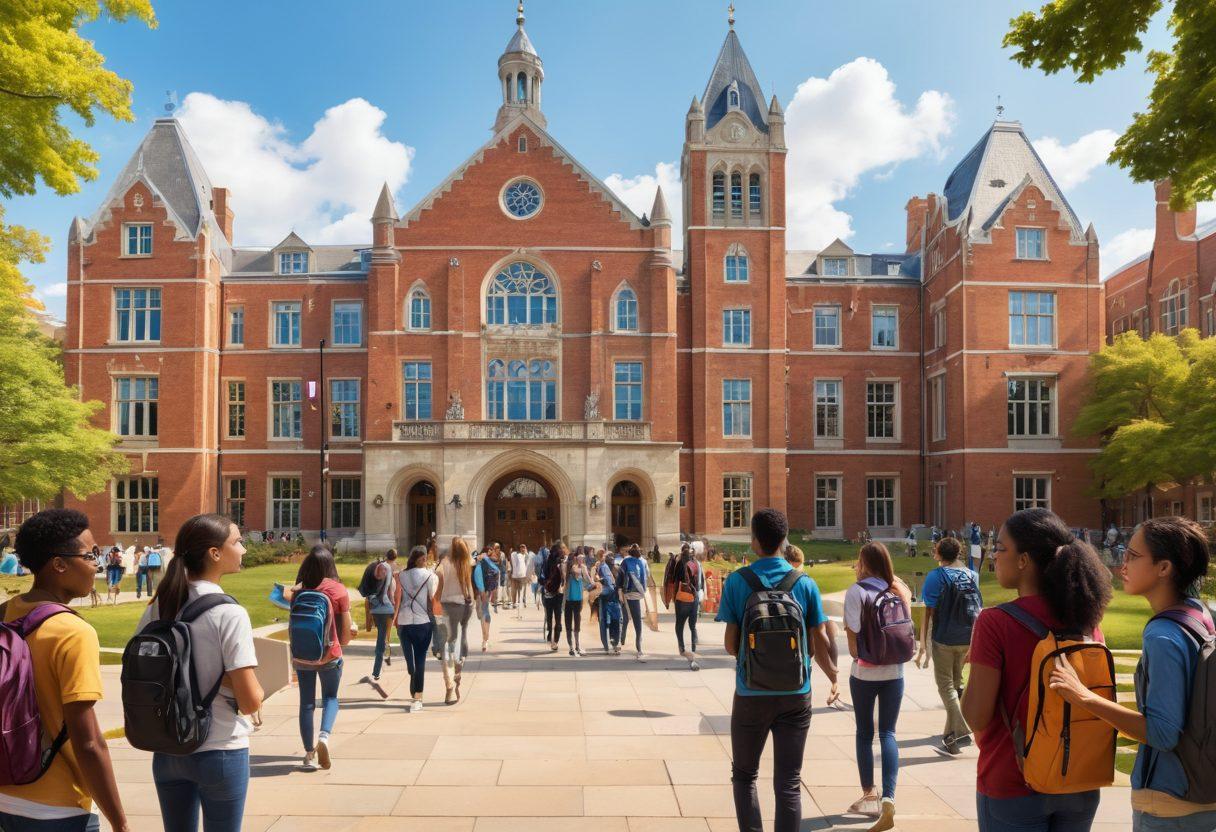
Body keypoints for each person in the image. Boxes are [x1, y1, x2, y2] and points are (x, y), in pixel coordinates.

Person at [1047, 517, 1214, 831]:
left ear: (1164, 568)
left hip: (1170, 805)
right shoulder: (1201, 614)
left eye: (1133, 557)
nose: (1122, 565)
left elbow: (1163, 733)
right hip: (1205, 789)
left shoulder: (1163, 635)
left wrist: (1084, 697)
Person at [961, 508, 1112, 832]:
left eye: (1000, 547)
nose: (993, 555)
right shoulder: (1087, 621)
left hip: (1013, 780)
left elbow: (975, 716)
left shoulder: (995, 622)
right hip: (1078, 776)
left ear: (1023, 560)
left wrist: (970, 674)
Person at [0, 509, 130, 832]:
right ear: (59, 564)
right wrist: (120, 822)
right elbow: (88, 742)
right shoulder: (74, 632)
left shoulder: (4, 613)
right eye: (90, 555)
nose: (96, 564)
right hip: (57, 810)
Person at [138, 514, 263, 832]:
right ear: (214, 553)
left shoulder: (159, 606)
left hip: (168, 748)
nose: (244, 549)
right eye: (237, 542)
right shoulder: (229, 613)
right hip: (219, 746)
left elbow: (143, 670)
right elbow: (250, 702)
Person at [716, 509, 839, 832]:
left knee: (744, 776)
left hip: (750, 692)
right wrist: (833, 676)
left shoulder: (738, 581)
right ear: (784, 541)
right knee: (789, 782)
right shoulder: (805, 583)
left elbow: (730, 644)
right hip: (796, 694)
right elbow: (817, 642)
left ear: (755, 541)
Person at [843, 542, 913, 831]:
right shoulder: (898, 589)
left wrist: (858, 655)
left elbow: (852, 635)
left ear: (864, 562)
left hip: (865, 672)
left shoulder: (857, 591)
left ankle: (869, 794)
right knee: (888, 732)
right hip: (894, 671)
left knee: (864, 733)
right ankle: (890, 798)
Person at [914, 536, 981, 756]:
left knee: (946, 686)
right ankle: (950, 736)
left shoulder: (936, 576)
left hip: (944, 638)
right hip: (967, 638)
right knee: (956, 683)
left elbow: (928, 611)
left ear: (939, 554)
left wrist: (922, 645)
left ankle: (962, 729)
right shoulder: (973, 576)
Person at [288, 546, 353, 772]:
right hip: (329, 653)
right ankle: (324, 737)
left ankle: (308, 752)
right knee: (330, 698)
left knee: (306, 703)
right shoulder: (338, 591)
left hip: (303, 654)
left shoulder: (299, 590)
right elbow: (344, 638)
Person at [394, 545, 438, 713]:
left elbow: (396, 595)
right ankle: (417, 696)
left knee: (410, 660)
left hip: (405, 621)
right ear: (423, 559)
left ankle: (414, 680)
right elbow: (432, 596)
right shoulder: (429, 576)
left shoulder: (400, 576)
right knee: (420, 660)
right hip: (422, 621)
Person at [436, 537, 474, 704]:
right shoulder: (466, 563)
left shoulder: (445, 562)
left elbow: (437, 579)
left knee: (448, 643)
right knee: (462, 634)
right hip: (464, 604)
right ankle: (460, 662)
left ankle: (450, 681)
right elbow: (469, 587)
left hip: (447, 604)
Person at [364, 549, 398, 697]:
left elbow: (368, 595)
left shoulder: (375, 576)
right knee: (385, 636)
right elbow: (392, 594)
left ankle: (377, 670)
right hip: (388, 609)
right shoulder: (391, 573)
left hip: (377, 611)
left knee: (381, 636)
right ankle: (385, 653)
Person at [664, 543, 704, 671]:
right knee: (692, 626)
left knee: (680, 624)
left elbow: (673, 580)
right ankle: (693, 650)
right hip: (694, 597)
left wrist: (671, 598)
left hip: (682, 598)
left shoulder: (679, 562)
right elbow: (700, 582)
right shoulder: (696, 563)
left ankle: (682, 647)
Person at [619, 544, 651, 661]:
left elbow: (620, 578)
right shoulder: (641, 563)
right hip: (637, 595)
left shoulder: (625, 562)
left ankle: (620, 640)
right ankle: (639, 648)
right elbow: (645, 577)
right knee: (638, 623)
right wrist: (643, 591)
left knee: (625, 619)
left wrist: (619, 591)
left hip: (626, 594)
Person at [596, 548, 622, 654]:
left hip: (610, 597)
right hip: (612, 598)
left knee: (609, 622)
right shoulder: (605, 568)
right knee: (613, 621)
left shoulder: (605, 568)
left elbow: (613, 584)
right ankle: (614, 643)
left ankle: (612, 643)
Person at [473, 547, 499, 652]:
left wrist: (482, 591)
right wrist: (494, 595)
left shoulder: (479, 561)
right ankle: (486, 638)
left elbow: (477, 575)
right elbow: (496, 576)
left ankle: (485, 639)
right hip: (487, 591)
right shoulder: (490, 563)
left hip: (481, 592)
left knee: (482, 615)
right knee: (485, 613)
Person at [562, 550, 588, 656]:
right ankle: (573, 646)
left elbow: (586, 579)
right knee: (571, 624)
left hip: (575, 600)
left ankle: (574, 646)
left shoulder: (579, 568)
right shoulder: (568, 570)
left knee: (574, 624)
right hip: (571, 600)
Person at [541, 544, 567, 651]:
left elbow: (541, 577)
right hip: (557, 594)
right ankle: (555, 640)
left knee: (550, 617)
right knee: (557, 618)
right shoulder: (560, 563)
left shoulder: (549, 562)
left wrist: (545, 585)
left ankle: (552, 639)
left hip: (549, 594)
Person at [510, 545, 529, 617]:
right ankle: (514, 603)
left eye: (524, 548)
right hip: (515, 576)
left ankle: (522, 602)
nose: (523, 549)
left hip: (523, 576)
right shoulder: (515, 555)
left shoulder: (526, 556)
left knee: (522, 591)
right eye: (521, 548)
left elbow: (529, 562)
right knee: (514, 591)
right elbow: (512, 557)